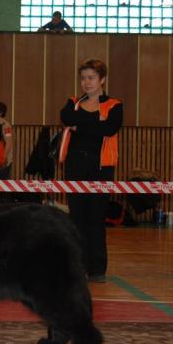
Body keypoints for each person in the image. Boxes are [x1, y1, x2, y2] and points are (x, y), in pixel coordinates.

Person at [59, 59, 123, 283]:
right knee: (76, 218)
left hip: (101, 169)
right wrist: (93, 127)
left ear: (102, 79)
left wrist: (81, 127)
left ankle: (97, 270)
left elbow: (110, 128)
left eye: (91, 78)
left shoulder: (114, 105)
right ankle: (77, 267)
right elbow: (66, 118)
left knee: (96, 219)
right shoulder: (73, 103)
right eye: (83, 78)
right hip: (75, 166)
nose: (86, 82)